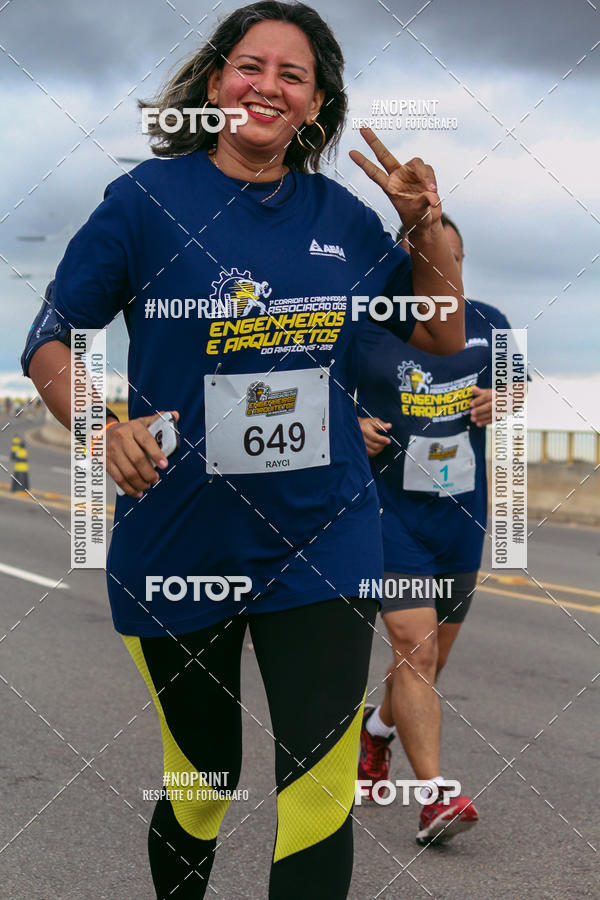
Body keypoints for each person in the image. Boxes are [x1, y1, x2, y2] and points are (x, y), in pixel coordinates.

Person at [22, 2, 464, 896]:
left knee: (316, 795)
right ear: (217, 80)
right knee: (201, 789)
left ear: (316, 106)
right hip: (181, 543)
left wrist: (428, 231)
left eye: (291, 76)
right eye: (249, 66)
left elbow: (440, 339)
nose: (266, 85)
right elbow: (51, 335)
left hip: (324, 541)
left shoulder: (345, 220)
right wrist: (101, 426)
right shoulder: (146, 201)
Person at [355, 213, 514, 845]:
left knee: (430, 660)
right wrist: (350, 426)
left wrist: (503, 399)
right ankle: (435, 797)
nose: (437, 270)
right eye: (425, 258)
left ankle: (374, 733)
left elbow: (514, 385)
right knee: (413, 651)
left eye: (449, 259)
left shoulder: (491, 322)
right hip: (388, 514)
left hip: (460, 516)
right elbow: (316, 394)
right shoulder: (361, 331)